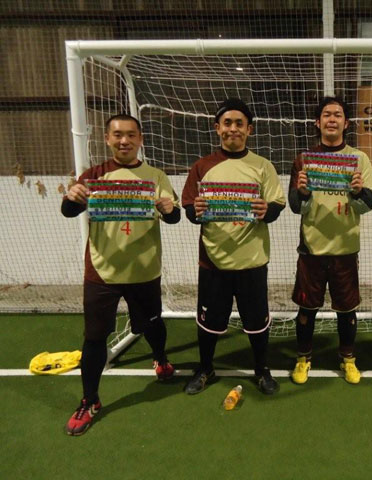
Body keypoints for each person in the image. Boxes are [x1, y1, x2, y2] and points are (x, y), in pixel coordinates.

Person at [62, 114, 180, 435]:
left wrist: (170, 210)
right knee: (95, 337)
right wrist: (72, 198)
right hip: (102, 272)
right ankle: (90, 400)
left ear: (140, 139)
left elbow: (174, 217)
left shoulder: (155, 176)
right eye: (117, 135)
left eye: (130, 135)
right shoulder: (93, 176)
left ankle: (161, 359)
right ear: (107, 138)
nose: (124, 140)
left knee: (152, 323)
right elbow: (69, 210)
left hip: (144, 270)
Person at [182, 98, 285, 395]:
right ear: (217, 128)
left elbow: (276, 206)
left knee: (256, 322)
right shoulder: (202, 167)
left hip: (252, 260)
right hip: (213, 261)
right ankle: (205, 368)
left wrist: (267, 209)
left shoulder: (263, 166)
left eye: (240, 123)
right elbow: (189, 210)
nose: (233, 128)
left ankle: (261, 370)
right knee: (209, 321)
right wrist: (196, 211)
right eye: (227, 123)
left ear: (249, 129)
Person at [289, 96, 372, 385]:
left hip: (345, 249)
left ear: (346, 123)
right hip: (311, 249)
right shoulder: (304, 159)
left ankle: (348, 359)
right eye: (326, 114)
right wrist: (302, 193)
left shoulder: (359, 159)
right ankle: (303, 359)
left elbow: (370, 204)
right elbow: (295, 206)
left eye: (338, 115)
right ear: (317, 122)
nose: (332, 119)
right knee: (306, 310)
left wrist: (358, 192)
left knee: (347, 310)